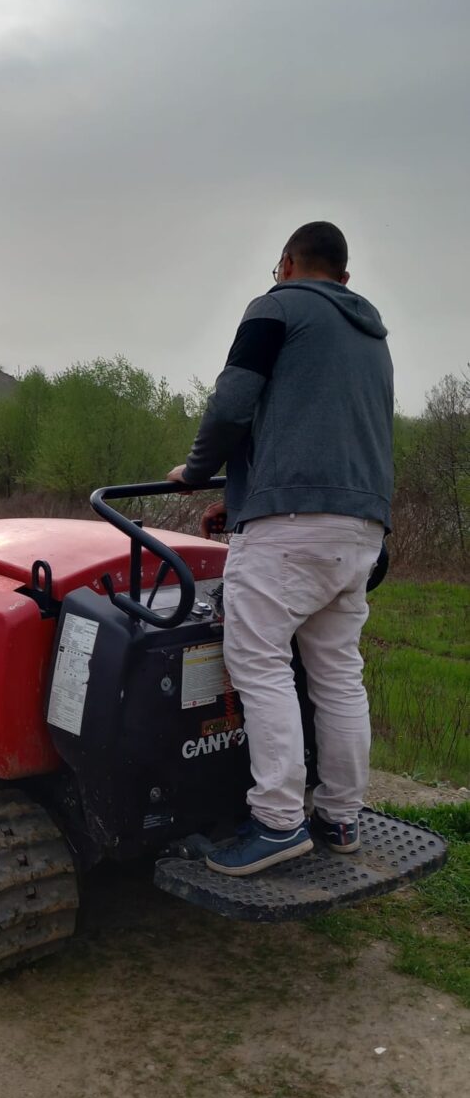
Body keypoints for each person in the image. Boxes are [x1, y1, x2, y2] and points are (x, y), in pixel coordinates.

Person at [167, 221, 394, 876]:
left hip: (292, 527)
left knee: (257, 662)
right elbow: (321, 431)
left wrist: (197, 466)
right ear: (344, 278)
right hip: (360, 529)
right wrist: (241, 501)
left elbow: (234, 402)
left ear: (287, 263)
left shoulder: (275, 307)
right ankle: (340, 815)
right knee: (337, 674)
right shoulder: (369, 335)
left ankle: (276, 822)